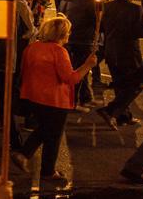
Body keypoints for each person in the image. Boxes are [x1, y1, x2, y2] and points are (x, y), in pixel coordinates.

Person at [12, 16, 97, 185]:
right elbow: (70, 78)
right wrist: (88, 65)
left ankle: (24, 154)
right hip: (54, 100)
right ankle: (48, 171)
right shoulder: (58, 51)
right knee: (53, 136)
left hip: (33, 96)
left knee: (44, 129)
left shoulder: (32, 48)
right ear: (62, 34)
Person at [96, 0, 143, 128]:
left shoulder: (107, 7)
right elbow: (141, 32)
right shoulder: (136, 9)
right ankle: (111, 111)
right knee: (135, 84)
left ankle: (124, 116)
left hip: (111, 51)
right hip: (129, 53)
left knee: (119, 84)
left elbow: (102, 29)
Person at [58, 0, 99, 110]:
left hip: (67, 40)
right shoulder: (89, 0)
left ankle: (86, 98)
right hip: (83, 41)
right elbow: (97, 21)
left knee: (80, 71)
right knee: (80, 71)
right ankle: (73, 102)